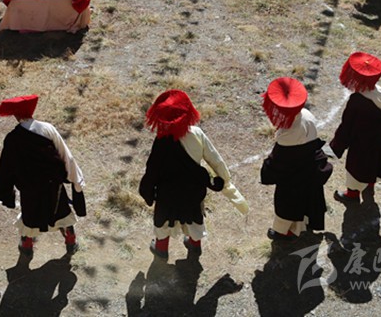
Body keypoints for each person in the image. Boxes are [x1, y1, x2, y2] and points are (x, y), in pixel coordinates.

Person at [140, 90, 248, 260]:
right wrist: (224, 179)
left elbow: (152, 168)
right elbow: (215, 159)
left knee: (164, 219)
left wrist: (147, 191)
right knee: (194, 218)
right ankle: (194, 246)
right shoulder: (197, 134)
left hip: (167, 191)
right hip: (193, 188)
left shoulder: (161, 139)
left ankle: (161, 249)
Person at [0, 95, 86, 256]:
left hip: (29, 188)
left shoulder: (12, 139)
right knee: (61, 213)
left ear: (15, 115)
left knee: (30, 217)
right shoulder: (47, 129)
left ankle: (27, 245)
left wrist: (6, 191)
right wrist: (75, 181)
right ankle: (70, 240)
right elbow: (66, 156)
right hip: (53, 184)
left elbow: (6, 167)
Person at [260, 77, 332, 240]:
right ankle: (303, 225)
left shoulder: (288, 135)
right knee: (308, 201)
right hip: (311, 168)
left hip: (293, 178)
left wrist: (267, 169)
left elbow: (278, 161)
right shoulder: (307, 115)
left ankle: (285, 232)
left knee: (287, 207)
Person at [330, 52, 381, 203]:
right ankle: (370, 184)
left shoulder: (356, 100)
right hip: (379, 139)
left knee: (356, 168)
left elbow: (347, 127)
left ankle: (352, 195)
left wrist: (337, 146)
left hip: (361, 142)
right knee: (374, 163)